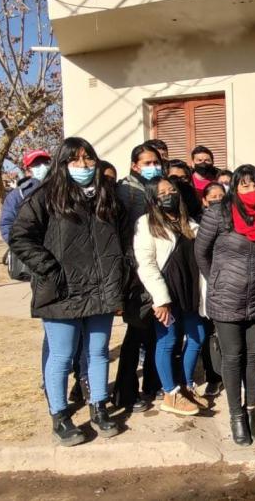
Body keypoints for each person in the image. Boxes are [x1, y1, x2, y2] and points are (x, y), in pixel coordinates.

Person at [10, 137, 125, 446]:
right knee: (61, 355)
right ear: (62, 164)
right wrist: (49, 268)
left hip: (101, 288)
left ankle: (99, 407)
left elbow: (121, 240)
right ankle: (60, 415)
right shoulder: (44, 196)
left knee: (98, 352)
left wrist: (119, 274)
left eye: (89, 159)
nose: (84, 166)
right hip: (62, 288)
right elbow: (20, 236)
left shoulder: (107, 195)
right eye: (76, 160)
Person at [195, 164, 255, 446]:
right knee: (233, 357)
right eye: (245, 185)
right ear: (234, 188)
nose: (252, 190)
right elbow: (201, 253)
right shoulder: (218, 213)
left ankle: (252, 408)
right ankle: (236, 416)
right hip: (225, 298)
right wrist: (217, 280)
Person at [135, 176, 208, 416]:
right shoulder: (146, 224)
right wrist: (160, 299)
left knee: (197, 336)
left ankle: (186, 386)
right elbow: (146, 264)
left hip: (190, 292)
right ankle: (170, 393)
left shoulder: (189, 222)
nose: (169, 195)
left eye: (172, 190)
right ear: (152, 199)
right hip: (167, 294)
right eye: (162, 192)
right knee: (167, 341)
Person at [113, 143, 165, 413]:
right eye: (147, 162)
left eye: (156, 161)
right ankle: (125, 393)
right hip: (134, 272)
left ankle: (153, 385)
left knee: (156, 332)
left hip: (157, 267)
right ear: (135, 165)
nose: (152, 166)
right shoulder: (124, 191)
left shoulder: (159, 186)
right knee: (136, 333)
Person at [198, 182, 226, 396]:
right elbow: (201, 255)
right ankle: (213, 376)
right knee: (210, 333)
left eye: (221, 195)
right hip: (208, 283)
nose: (218, 199)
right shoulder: (198, 224)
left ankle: (230, 373)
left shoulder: (232, 220)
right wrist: (211, 278)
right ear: (205, 201)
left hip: (229, 285)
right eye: (213, 197)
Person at [0, 149, 51, 244]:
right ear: (28, 170)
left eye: (46, 162)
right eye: (37, 164)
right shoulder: (17, 195)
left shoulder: (61, 188)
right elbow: (7, 225)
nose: (43, 166)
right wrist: (26, 251)